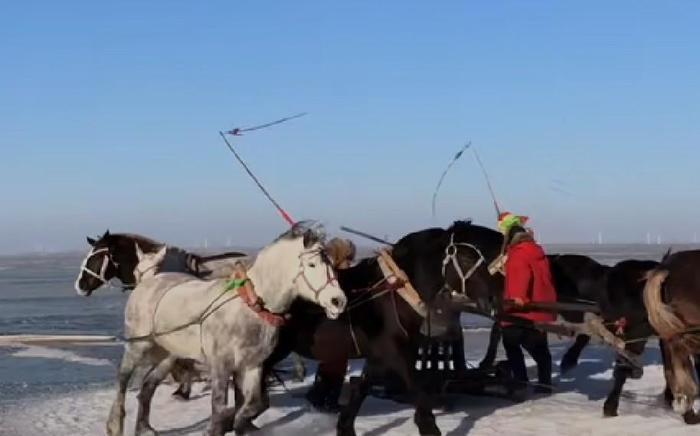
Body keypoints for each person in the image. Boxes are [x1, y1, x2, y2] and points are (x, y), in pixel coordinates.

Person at [498, 212, 557, 397]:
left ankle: (521, 380)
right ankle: (545, 383)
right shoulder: (538, 252)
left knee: (511, 343)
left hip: (522, 311)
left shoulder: (518, 254)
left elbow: (521, 275)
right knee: (541, 350)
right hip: (543, 308)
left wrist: (518, 297)